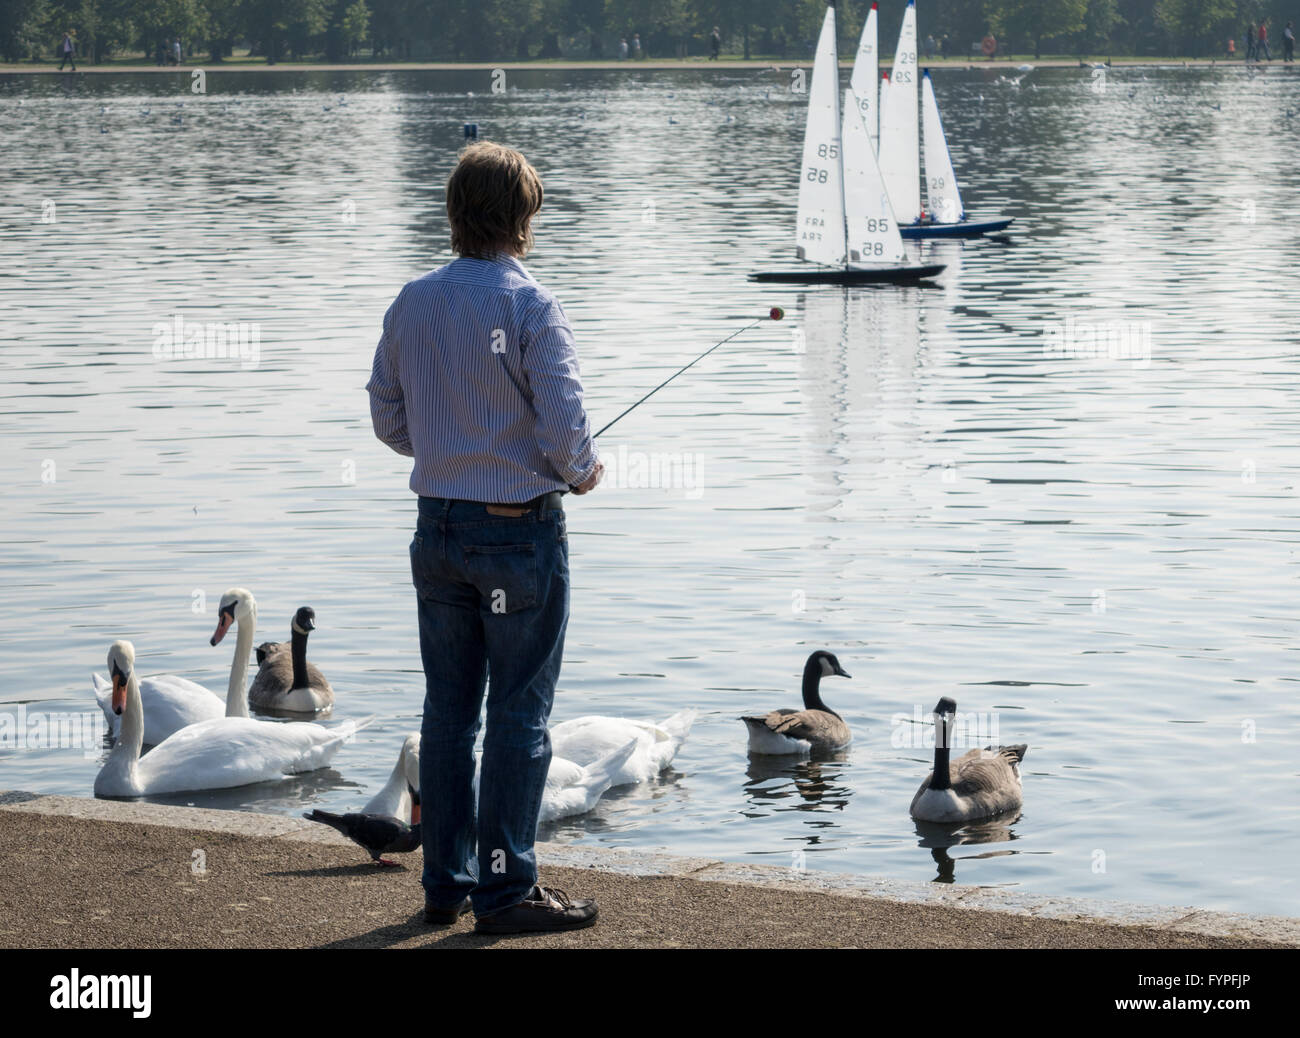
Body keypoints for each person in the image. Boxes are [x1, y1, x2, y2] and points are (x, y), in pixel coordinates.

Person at [367, 142, 604, 935]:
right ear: (523, 218)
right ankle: (505, 893)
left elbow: (389, 419)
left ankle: (446, 884)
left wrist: (451, 450)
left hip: (436, 527)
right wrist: (582, 472)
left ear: (456, 214)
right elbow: (569, 434)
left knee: (448, 712)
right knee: (518, 717)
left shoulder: (412, 300)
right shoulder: (531, 305)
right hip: (515, 536)